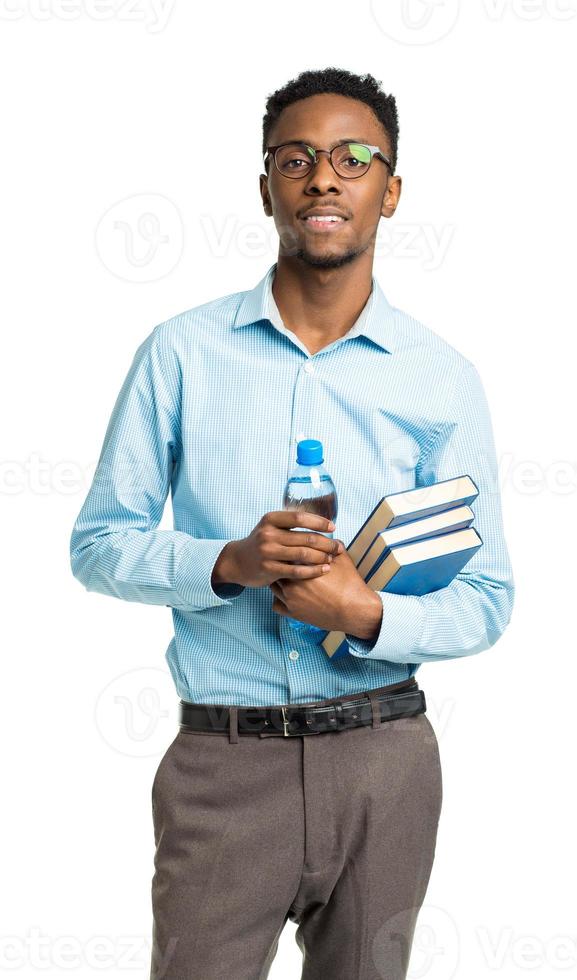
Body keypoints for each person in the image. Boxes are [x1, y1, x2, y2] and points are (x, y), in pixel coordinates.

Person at [70, 67, 515, 980]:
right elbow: (98, 543)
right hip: (223, 765)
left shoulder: (440, 377)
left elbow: (487, 597)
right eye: (297, 157)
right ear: (265, 184)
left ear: (389, 193)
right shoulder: (182, 352)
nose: (324, 178)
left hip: (384, 763)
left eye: (354, 159)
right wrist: (224, 562)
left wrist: (364, 614)